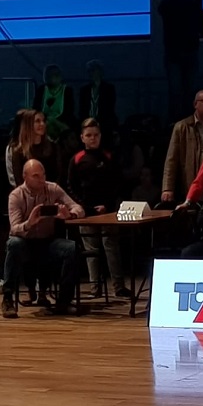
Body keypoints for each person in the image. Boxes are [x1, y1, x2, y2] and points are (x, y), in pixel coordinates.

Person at [1, 159, 84, 319]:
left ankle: (64, 301)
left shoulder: (52, 189)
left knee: (72, 248)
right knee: (13, 243)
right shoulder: (16, 196)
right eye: (36, 176)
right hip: (26, 242)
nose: (41, 179)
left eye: (43, 175)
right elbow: (14, 228)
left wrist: (70, 214)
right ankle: (7, 297)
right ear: (25, 176)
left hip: (47, 242)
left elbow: (78, 207)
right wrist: (29, 223)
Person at [67, 118, 129, 298]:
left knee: (112, 247)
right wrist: (85, 207)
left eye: (95, 135)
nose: (92, 138)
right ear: (82, 137)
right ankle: (95, 288)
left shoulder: (109, 157)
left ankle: (118, 286)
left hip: (108, 211)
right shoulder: (76, 159)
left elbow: (118, 183)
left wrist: (107, 205)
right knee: (91, 251)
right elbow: (70, 187)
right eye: (89, 135)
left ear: (100, 136)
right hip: (86, 213)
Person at [158, 0, 203, 120]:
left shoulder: (191, 6)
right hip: (174, 55)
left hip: (189, 52)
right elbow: (163, 10)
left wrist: (198, 34)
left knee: (190, 91)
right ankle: (176, 122)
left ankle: (189, 121)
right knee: (175, 91)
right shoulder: (168, 5)